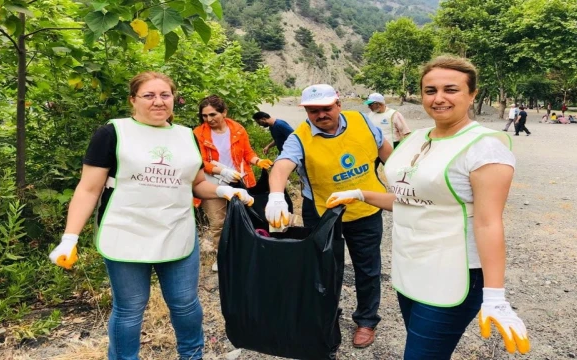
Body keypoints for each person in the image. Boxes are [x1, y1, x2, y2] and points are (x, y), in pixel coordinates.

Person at [323, 56, 530, 359]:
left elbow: (488, 222)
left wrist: (495, 295)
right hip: (411, 266)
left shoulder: (484, 147)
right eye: (430, 90)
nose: (439, 98)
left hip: (454, 273)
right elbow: (411, 200)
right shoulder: (415, 139)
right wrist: (360, 193)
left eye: (451, 89)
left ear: (472, 94)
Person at [48, 72, 254, 360]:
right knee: (130, 308)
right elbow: (88, 189)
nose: (158, 102)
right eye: (149, 95)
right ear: (133, 100)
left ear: (174, 99)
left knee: (185, 303)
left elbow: (196, 184)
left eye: (165, 95)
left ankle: (192, 356)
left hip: (177, 231)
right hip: (126, 233)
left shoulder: (186, 136)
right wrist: (69, 238)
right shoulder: (112, 133)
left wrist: (225, 192)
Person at [265, 84, 393, 348]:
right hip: (324, 213)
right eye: (313, 111)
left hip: (365, 209)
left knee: (368, 269)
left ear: (338, 104)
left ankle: (367, 320)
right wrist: (276, 196)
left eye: (326, 108)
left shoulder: (362, 121)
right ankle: (327, 318)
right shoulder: (299, 137)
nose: (321, 115)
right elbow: (282, 166)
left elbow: (385, 151)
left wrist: (404, 181)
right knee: (324, 270)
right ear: (306, 112)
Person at [193, 95, 273, 272]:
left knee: (244, 217)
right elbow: (199, 161)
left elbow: (247, 153)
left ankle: (244, 253)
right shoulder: (198, 134)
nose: (209, 119)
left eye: (213, 114)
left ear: (224, 112)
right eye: (205, 116)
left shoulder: (237, 129)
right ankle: (222, 256)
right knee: (218, 221)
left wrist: (258, 161)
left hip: (238, 180)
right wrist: (221, 171)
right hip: (212, 182)